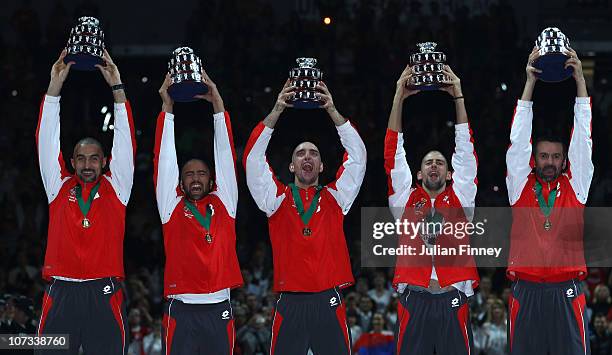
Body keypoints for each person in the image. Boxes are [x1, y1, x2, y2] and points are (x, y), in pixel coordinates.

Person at [243, 80, 367, 354]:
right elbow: (253, 159)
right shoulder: (275, 199)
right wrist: (276, 110)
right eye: (300, 154)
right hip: (290, 303)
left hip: (328, 299)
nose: (307, 157)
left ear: (322, 166)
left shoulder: (337, 198)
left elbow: (358, 157)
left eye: (313, 154)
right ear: (291, 165)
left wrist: (333, 111)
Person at [36, 49, 134, 354]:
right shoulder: (58, 186)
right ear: (71, 162)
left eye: (94, 158)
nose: (88, 165)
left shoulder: (117, 187)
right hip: (61, 291)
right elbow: (46, 139)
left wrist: (117, 89)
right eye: (81, 159)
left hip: (103, 293)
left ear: (105, 161)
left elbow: (126, 141)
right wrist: (54, 88)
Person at [384, 64, 479, 354]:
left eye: (440, 162)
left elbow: (465, 150)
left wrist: (458, 96)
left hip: (453, 300)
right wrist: (398, 97)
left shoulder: (462, 197)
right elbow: (392, 154)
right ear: (418, 175)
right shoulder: (403, 200)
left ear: (450, 174)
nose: (435, 165)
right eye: (428, 162)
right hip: (415, 299)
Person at [505, 47, 593, 354]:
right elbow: (518, 140)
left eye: (556, 157)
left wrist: (580, 81)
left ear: (565, 160)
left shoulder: (576, 187)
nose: (550, 162)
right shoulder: (519, 186)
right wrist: (529, 84)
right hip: (525, 291)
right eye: (543, 156)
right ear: (533, 159)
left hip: (566, 290)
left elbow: (583, 139)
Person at [154, 72, 243, 354]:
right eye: (189, 174)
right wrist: (167, 108)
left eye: (202, 173)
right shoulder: (171, 205)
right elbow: (164, 159)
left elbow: (226, 155)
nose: (195, 179)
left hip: (219, 305)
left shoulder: (225, 201)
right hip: (180, 308)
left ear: (211, 180)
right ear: (180, 182)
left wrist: (218, 105)